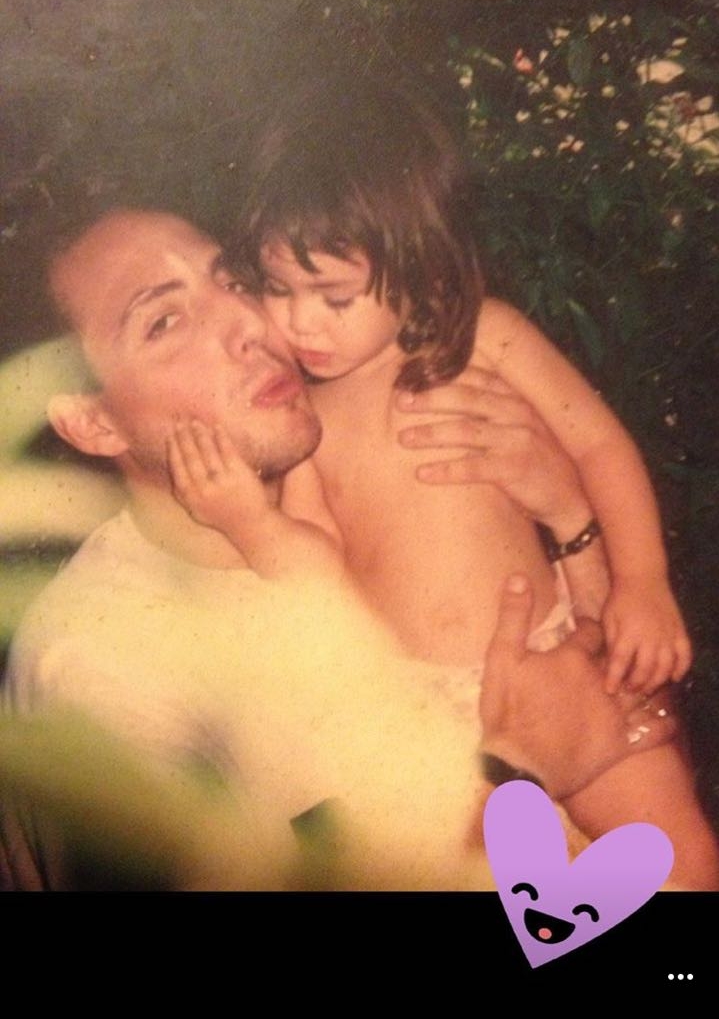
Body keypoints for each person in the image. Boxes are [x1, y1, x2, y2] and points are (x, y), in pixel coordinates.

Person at [0, 208, 674, 892]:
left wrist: (571, 524)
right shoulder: (101, 676)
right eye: (164, 322)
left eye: (233, 280)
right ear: (91, 421)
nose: (250, 325)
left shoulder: (315, 509)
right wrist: (520, 767)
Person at [203, 74, 717, 888]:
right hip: (427, 718)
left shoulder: (484, 338)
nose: (300, 323)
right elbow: (319, 569)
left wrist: (642, 582)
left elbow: (599, 447)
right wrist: (247, 519)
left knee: (683, 864)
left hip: (555, 655)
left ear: (417, 264)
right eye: (278, 290)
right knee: (518, 889)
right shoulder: (303, 415)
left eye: (333, 296)